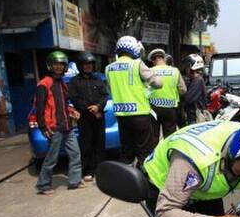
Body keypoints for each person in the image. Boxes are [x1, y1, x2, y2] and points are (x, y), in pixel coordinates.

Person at [105, 35, 162, 167]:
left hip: (121, 116)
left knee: (126, 150)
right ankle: (145, 179)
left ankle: (125, 179)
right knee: (145, 151)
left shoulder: (108, 68)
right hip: (140, 114)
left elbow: (111, 88)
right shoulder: (137, 64)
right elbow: (158, 83)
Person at [35, 51, 85, 195]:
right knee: (51, 158)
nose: (59, 67)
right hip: (54, 128)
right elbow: (39, 107)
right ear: (50, 65)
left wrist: (71, 111)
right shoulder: (44, 84)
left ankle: (74, 182)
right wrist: (43, 126)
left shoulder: (62, 84)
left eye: (62, 64)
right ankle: (44, 185)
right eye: (56, 64)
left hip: (67, 127)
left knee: (75, 154)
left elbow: (63, 104)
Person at [68, 52, 108, 182]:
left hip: (99, 116)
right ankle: (88, 171)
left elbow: (104, 95)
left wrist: (98, 107)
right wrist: (90, 108)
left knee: (100, 144)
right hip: (84, 118)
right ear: (80, 66)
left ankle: (101, 170)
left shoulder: (98, 79)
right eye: (85, 64)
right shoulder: (74, 81)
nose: (88, 67)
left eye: (90, 64)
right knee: (86, 145)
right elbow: (74, 98)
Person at [147, 48, 186, 146]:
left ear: (153, 60)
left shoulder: (149, 71)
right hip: (170, 109)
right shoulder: (174, 71)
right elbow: (183, 90)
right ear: (163, 58)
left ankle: (154, 159)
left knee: (154, 138)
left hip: (153, 109)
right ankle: (169, 158)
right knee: (170, 138)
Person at [182, 54, 207, 125]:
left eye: (187, 67)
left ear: (191, 67)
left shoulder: (197, 81)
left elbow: (188, 99)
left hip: (195, 117)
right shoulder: (195, 80)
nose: (186, 69)